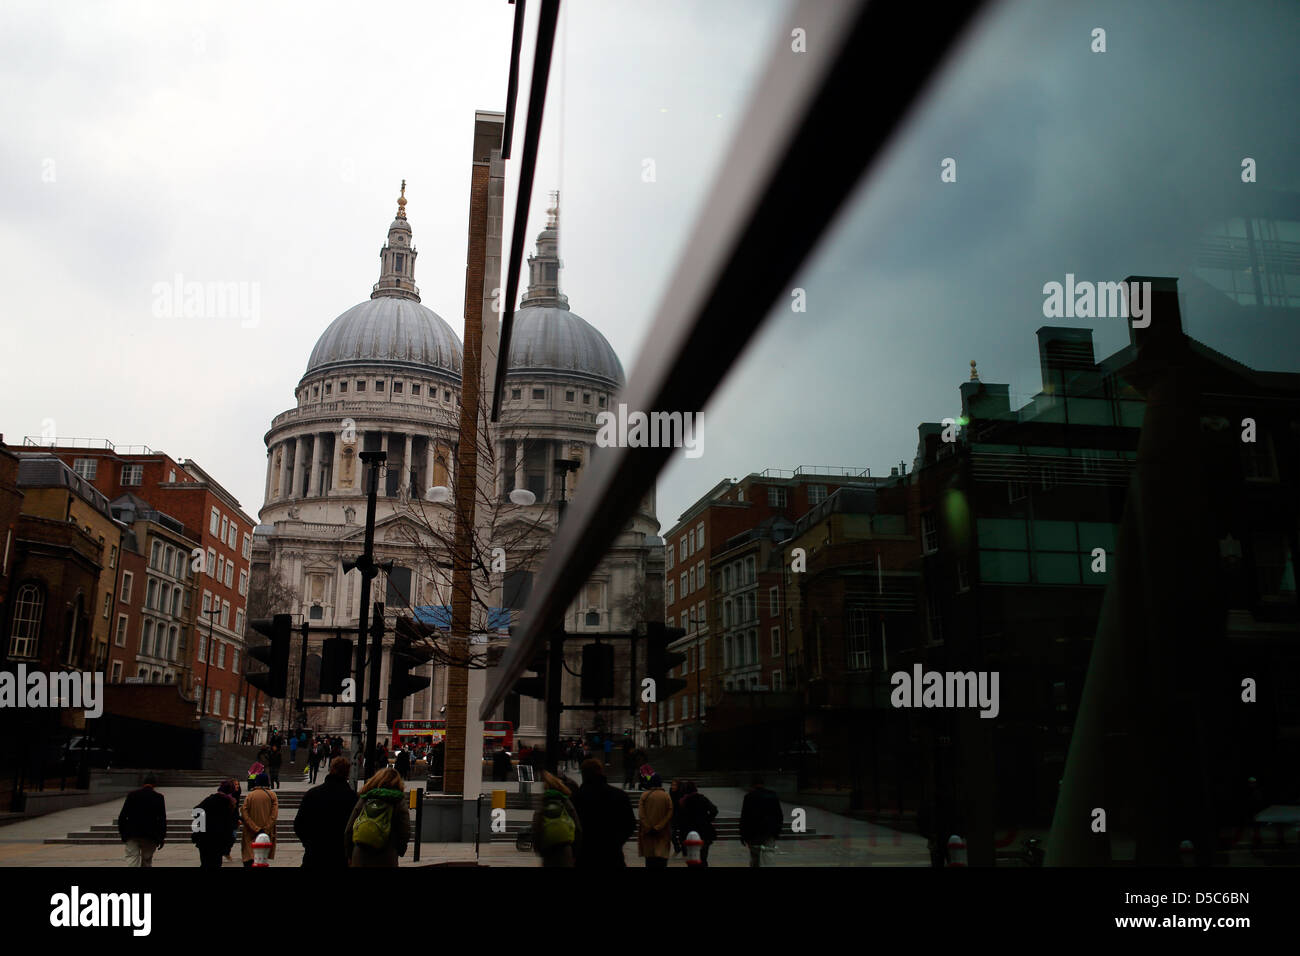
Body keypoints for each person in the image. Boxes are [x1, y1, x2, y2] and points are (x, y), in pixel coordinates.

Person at [572, 758, 636, 868]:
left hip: (585, 858)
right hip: (613, 857)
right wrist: (616, 843)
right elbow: (630, 825)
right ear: (601, 771)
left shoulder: (575, 798)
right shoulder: (619, 795)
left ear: (583, 774)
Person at [294, 757, 357, 868]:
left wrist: (308, 844)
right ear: (347, 772)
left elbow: (298, 824)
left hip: (313, 855)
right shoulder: (352, 798)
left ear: (331, 769)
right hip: (339, 857)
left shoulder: (312, 794)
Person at [344, 767, 410, 867]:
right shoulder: (398, 801)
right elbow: (405, 831)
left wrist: (350, 854)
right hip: (387, 855)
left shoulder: (366, 798)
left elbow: (349, 830)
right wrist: (399, 850)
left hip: (360, 854)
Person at [532, 771, 581, 867]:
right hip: (565, 849)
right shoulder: (565, 802)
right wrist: (575, 851)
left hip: (548, 849)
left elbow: (537, 827)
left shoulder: (544, 802)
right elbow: (577, 828)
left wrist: (539, 848)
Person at [118, 773, 167, 867]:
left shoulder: (132, 795)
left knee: (132, 858)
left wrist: (123, 833)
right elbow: (162, 819)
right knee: (147, 860)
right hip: (150, 835)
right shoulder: (158, 797)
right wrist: (161, 837)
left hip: (132, 833)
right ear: (154, 784)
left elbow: (123, 816)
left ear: (143, 783)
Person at [193, 779, 238, 869]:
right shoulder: (229, 803)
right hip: (218, 840)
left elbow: (196, 811)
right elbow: (228, 825)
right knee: (216, 863)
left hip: (204, 839)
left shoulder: (211, 798)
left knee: (205, 863)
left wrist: (200, 829)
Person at [740, 774, 783, 867]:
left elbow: (745, 817)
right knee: (768, 854)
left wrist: (743, 835)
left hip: (753, 832)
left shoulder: (749, 797)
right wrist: (777, 831)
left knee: (755, 856)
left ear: (752, 785)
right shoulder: (772, 795)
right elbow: (779, 815)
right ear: (763, 784)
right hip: (769, 831)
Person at [675, 781, 719, 866]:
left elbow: (679, 820)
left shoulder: (682, 802)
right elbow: (714, 810)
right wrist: (708, 819)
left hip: (688, 833)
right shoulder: (702, 798)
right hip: (704, 832)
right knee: (703, 858)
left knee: (692, 860)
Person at [241, 772, 279, 867]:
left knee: (250, 856)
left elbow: (244, 813)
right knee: (262, 858)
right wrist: (265, 829)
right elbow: (274, 815)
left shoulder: (250, 796)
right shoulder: (272, 795)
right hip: (266, 833)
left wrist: (255, 828)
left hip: (250, 832)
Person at [637, 773, 673, 868]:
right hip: (662, 832)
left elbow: (641, 814)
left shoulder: (644, 795)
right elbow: (669, 813)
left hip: (647, 833)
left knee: (650, 859)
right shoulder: (666, 796)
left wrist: (648, 827)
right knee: (661, 858)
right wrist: (659, 826)